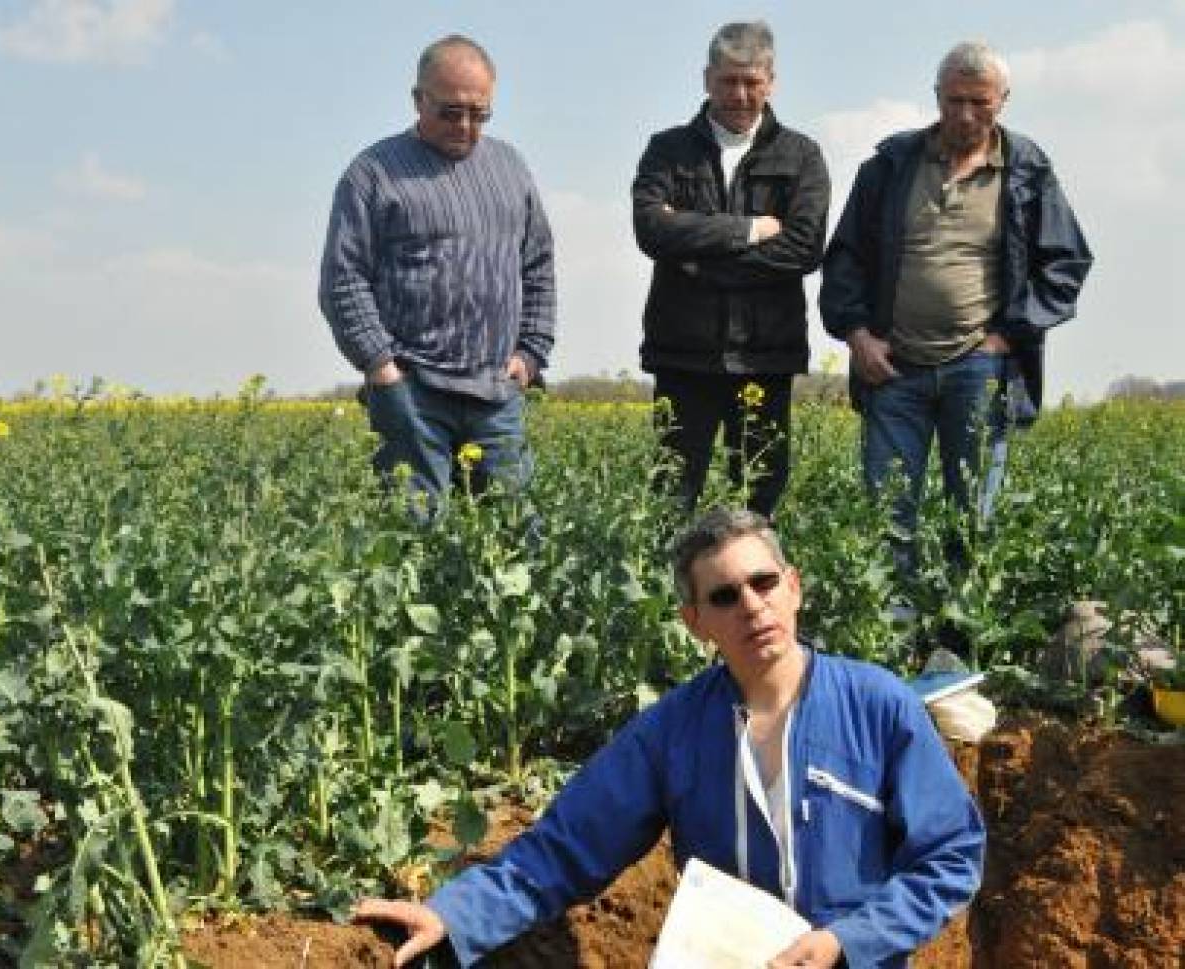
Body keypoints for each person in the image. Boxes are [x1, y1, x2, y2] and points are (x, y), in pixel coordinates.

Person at [354, 507, 985, 968]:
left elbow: (952, 855)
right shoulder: (672, 733)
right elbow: (566, 847)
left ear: (793, 587)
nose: (753, 606)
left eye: (764, 583)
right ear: (696, 623)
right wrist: (453, 913)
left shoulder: (879, 707)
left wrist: (850, 941)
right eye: (725, 595)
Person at [820, 40, 1091, 571]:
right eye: (953, 101)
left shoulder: (1027, 170)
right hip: (892, 369)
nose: (964, 114)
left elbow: (1066, 264)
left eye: (979, 102)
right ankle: (892, 641)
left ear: (1002, 101)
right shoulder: (890, 165)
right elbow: (846, 257)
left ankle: (957, 641)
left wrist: (1007, 336)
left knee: (973, 519)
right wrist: (857, 336)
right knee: (888, 517)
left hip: (979, 369)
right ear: (936, 96)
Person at [319, 35, 556, 502]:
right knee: (414, 539)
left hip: (496, 393)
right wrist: (381, 366)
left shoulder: (510, 167)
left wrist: (530, 353)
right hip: (413, 392)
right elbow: (343, 279)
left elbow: (539, 265)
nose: (465, 124)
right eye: (450, 111)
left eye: (479, 113)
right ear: (417, 99)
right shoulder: (373, 173)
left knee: (512, 547)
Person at [632, 21, 829, 518]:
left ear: (771, 82)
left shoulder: (801, 155)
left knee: (759, 497)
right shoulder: (667, 150)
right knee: (670, 499)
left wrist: (696, 259)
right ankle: (671, 593)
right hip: (684, 356)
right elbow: (653, 232)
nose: (739, 95)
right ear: (706, 79)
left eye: (752, 82)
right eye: (728, 82)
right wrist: (747, 231)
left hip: (766, 356)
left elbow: (803, 249)